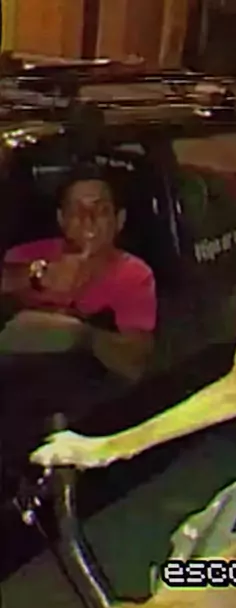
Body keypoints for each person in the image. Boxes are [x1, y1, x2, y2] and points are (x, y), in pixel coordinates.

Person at [0, 162, 157, 471]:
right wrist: (36, 276)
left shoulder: (134, 275)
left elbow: (134, 362)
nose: (88, 219)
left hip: (64, 399)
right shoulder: (26, 256)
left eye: (100, 210)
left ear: (119, 221)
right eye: (76, 210)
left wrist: (80, 333)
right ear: (61, 219)